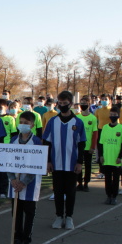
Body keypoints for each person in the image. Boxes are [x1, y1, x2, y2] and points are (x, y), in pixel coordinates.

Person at [43, 90, 85, 230]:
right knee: (58, 191)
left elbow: (81, 144)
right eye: (60, 103)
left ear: (71, 104)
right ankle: (59, 216)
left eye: (65, 103)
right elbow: (47, 142)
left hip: (72, 163)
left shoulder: (78, 122)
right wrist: (48, 161)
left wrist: (80, 162)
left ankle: (69, 217)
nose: (62, 106)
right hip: (56, 163)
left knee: (71, 191)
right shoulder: (52, 121)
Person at [6, 111, 44, 244]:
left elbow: (37, 165)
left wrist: (24, 182)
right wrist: (13, 179)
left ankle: (27, 240)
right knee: (16, 212)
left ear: (32, 125)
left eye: (26, 123)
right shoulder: (13, 140)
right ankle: (16, 239)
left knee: (29, 212)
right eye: (21, 122)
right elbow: (7, 162)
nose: (23, 125)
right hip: (15, 182)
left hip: (30, 184)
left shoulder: (37, 142)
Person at [98, 106, 122, 205]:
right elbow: (101, 143)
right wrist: (101, 155)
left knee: (115, 180)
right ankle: (108, 196)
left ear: (118, 116)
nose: (112, 116)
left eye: (115, 115)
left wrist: (120, 157)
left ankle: (114, 196)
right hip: (106, 159)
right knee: (107, 179)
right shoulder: (105, 127)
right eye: (111, 114)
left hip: (116, 160)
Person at [77, 97, 97, 192]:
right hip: (79, 146)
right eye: (81, 103)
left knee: (88, 165)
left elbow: (95, 133)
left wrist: (93, 146)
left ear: (89, 104)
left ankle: (86, 183)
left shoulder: (93, 118)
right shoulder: (77, 117)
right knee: (78, 164)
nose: (82, 105)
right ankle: (79, 183)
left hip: (88, 146)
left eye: (84, 103)